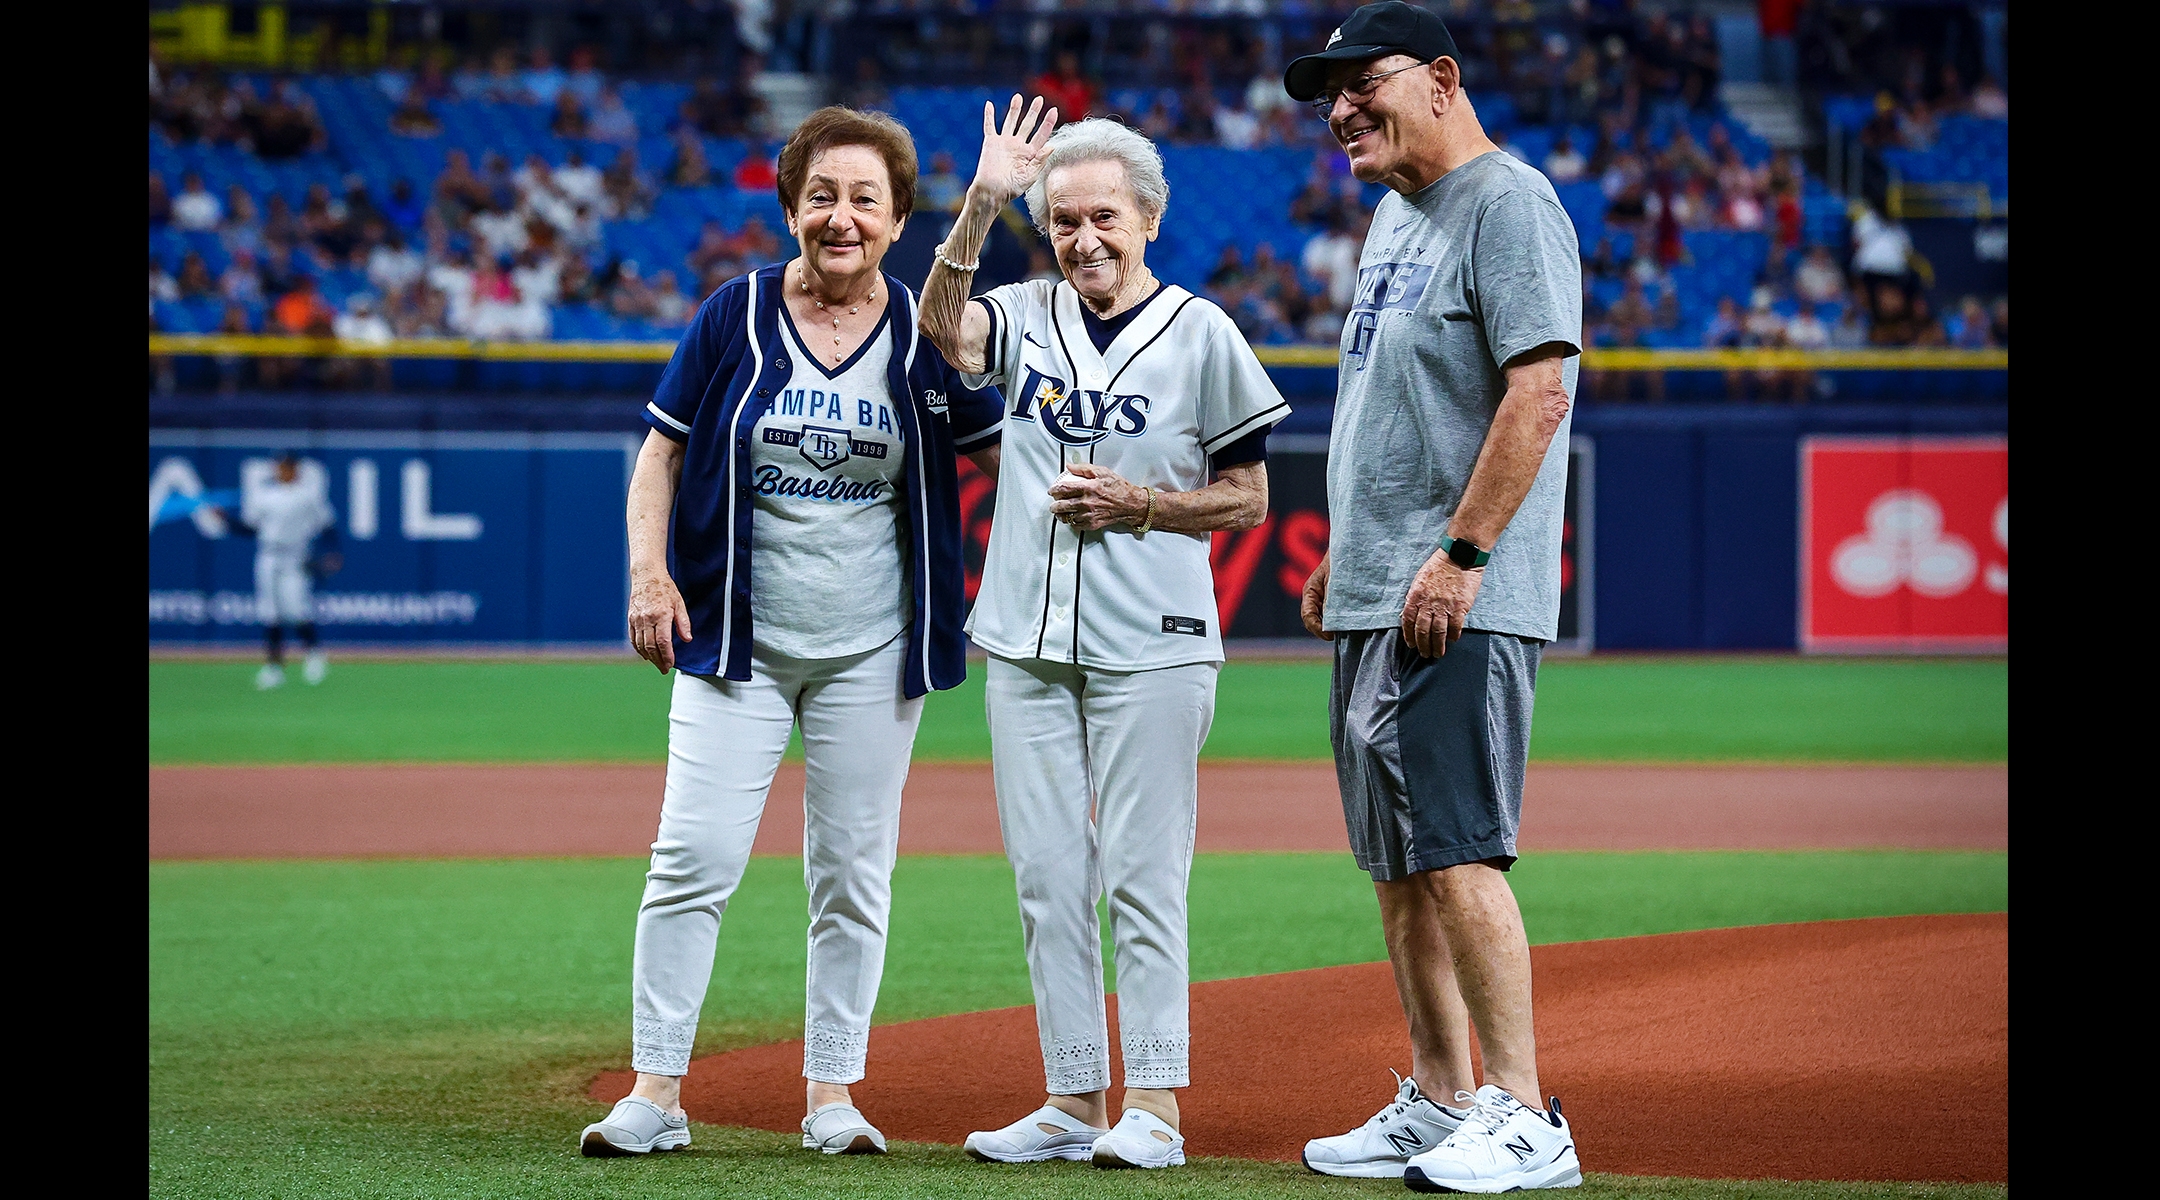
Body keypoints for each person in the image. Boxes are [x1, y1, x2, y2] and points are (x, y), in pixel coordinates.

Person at [579, 106, 1006, 1161]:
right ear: (790, 208)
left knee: (853, 875)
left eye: (865, 198)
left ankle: (831, 1095)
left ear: (901, 219)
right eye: (821, 196)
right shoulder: (733, 313)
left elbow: (1010, 464)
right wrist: (648, 574)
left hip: (874, 648)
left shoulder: (926, 333)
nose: (841, 217)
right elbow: (660, 454)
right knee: (691, 858)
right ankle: (656, 1090)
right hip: (738, 641)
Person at [919, 99, 1290, 1172]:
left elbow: (1248, 498)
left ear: (1150, 218)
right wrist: (984, 203)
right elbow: (945, 331)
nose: (1085, 237)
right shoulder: (1025, 309)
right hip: (1026, 638)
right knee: (1045, 875)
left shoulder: (1204, 331)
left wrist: (1144, 506)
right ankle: (1074, 1099)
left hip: (1156, 640)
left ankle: (1157, 1107)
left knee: (1141, 873)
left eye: (1105, 217)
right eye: (1066, 218)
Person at [1282, 4, 1583, 1191]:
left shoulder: (1508, 205)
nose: (1341, 108)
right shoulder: (1393, 216)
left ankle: (1524, 1112)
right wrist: (1347, 555)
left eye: (1364, 83)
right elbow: (1395, 409)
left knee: (1458, 850)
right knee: (1398, 864)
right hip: (1379, 584)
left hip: (1454, 591)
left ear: (1443, 79)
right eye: (1328, 94)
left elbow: (1541, 389)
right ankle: (1440, 1097)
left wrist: (1460, 557)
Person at [230, 454, 338, 690]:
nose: (283, 471)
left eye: (287, 467)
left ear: (295, 470)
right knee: (270, 612)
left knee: (297, 609)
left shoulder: (308, 495)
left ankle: (314, 656)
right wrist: (226, 521)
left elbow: (327, 524)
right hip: (269, 555)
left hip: (295, 556)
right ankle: (274, 668)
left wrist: (334, 553)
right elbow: (250, 529)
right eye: (280, 467)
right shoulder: (264, 495)